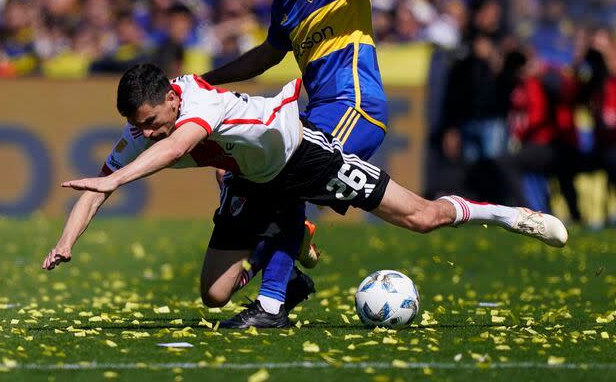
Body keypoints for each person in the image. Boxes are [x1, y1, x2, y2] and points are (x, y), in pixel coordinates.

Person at [42, 64, 568, 329]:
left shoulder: (196, 102)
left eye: (151, 123)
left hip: (303, 157)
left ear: (172, 98)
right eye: (140, 128)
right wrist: (68, 240)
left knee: (423, 218)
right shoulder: (141, 132)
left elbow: (179, 142)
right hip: (249, 177)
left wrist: (118, 179)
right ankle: (287, 278)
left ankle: (505, 214)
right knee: (214, 295)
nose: (148, 135)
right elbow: (93, 190)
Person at [200, 0, 399, 323]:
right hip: (318, 112)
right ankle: (287, 276)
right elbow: (267, 57)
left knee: (284, 177)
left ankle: (272, 302)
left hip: (355, 106)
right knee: (242, 169)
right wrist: (207, 80)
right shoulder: (285, 1)